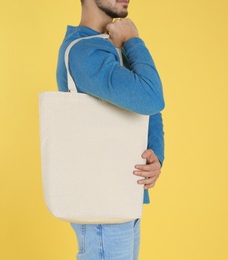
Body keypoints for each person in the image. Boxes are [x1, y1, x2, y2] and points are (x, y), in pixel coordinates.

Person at [56, 0, 165, 259]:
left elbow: (151, 109)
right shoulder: (85, 52)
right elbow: (152, 96)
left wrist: (156, 154)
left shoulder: (109, 45)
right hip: (101, 204)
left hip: (121, 196)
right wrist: (134, 42)